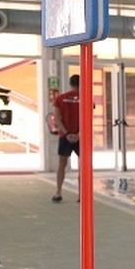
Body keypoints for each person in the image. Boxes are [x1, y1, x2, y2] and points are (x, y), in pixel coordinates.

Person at [51, 74, 81, 202]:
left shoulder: (60, 99)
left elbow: (57, 119)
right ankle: (81, 195)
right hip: (81, 137)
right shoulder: (86, 98)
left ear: (70, 83)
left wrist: (67, 133)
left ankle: (58, 192)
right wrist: (79, 134)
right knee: (83, 167)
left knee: (62, 165)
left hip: (65, 136)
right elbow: (88, 119)